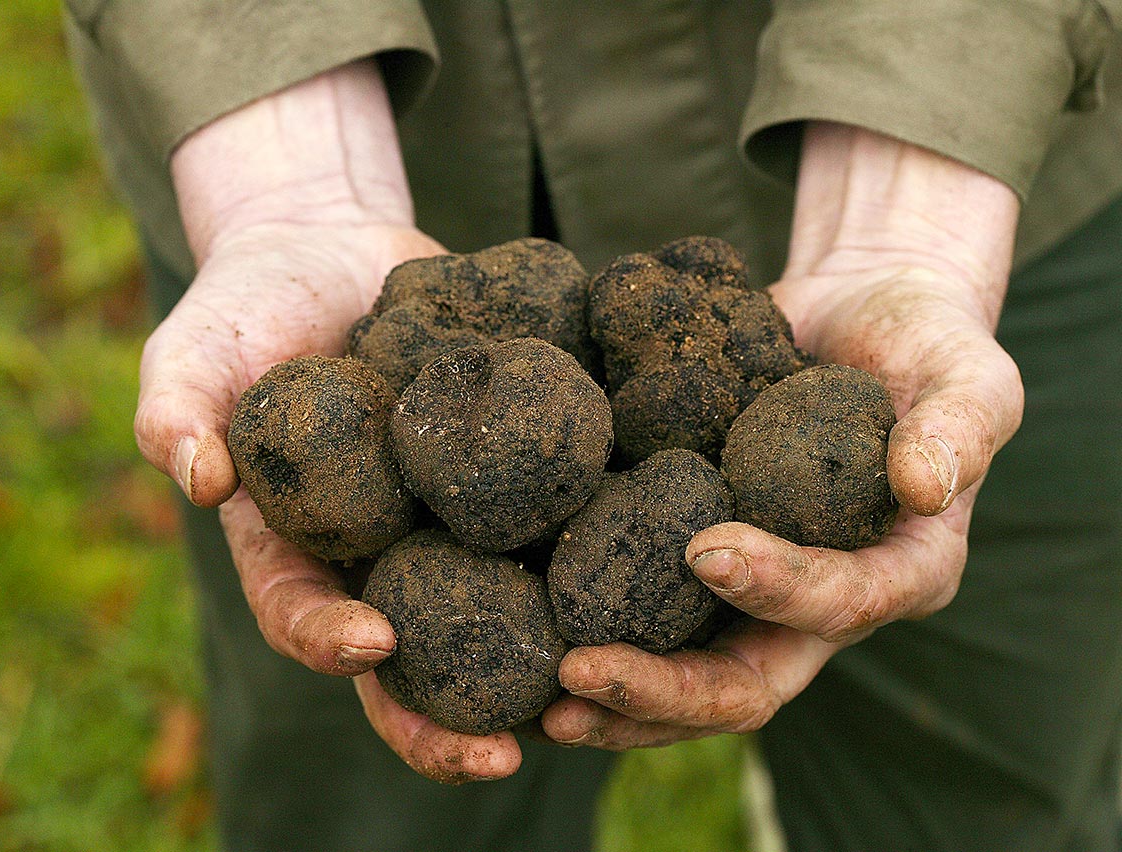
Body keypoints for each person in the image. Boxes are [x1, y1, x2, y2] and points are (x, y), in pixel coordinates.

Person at [63, 2, 1122, 849]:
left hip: (976, 183)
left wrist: (913, 202)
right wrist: (283, 179)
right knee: (362, 811)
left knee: (982, 792)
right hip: (309, 178)